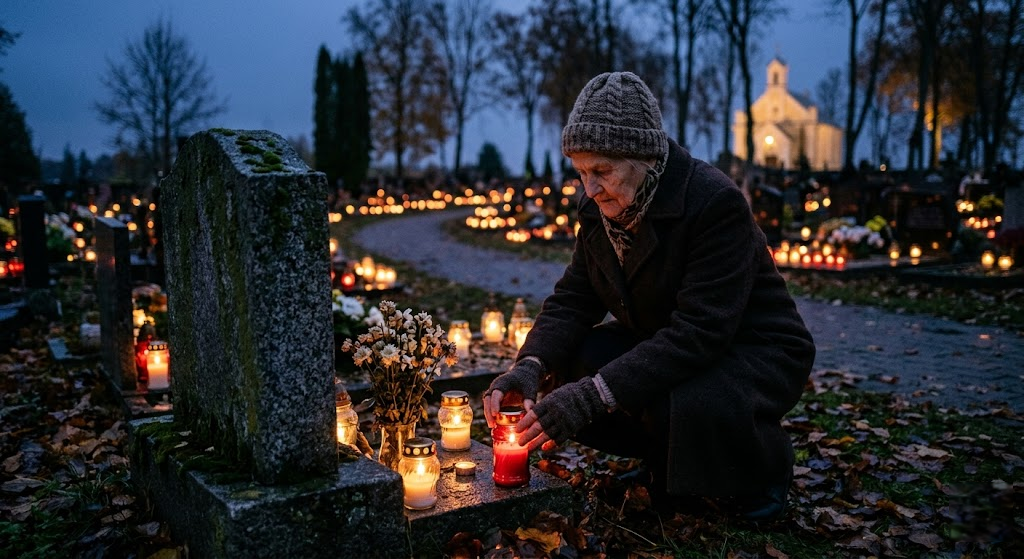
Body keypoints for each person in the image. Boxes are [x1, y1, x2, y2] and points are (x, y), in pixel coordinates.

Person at [483, 71, 815, 521]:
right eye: (581, 172)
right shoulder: (598, 211)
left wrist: (589, 398)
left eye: (602, 171)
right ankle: (667, 465)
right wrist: (529, 367)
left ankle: (759, 472)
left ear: (644, 158)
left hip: (751, 348)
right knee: (578, 360)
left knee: (677, 396)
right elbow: (575, 298)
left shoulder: (713, 203)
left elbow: (701, 332)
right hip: (670, 339)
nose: (590, 188)